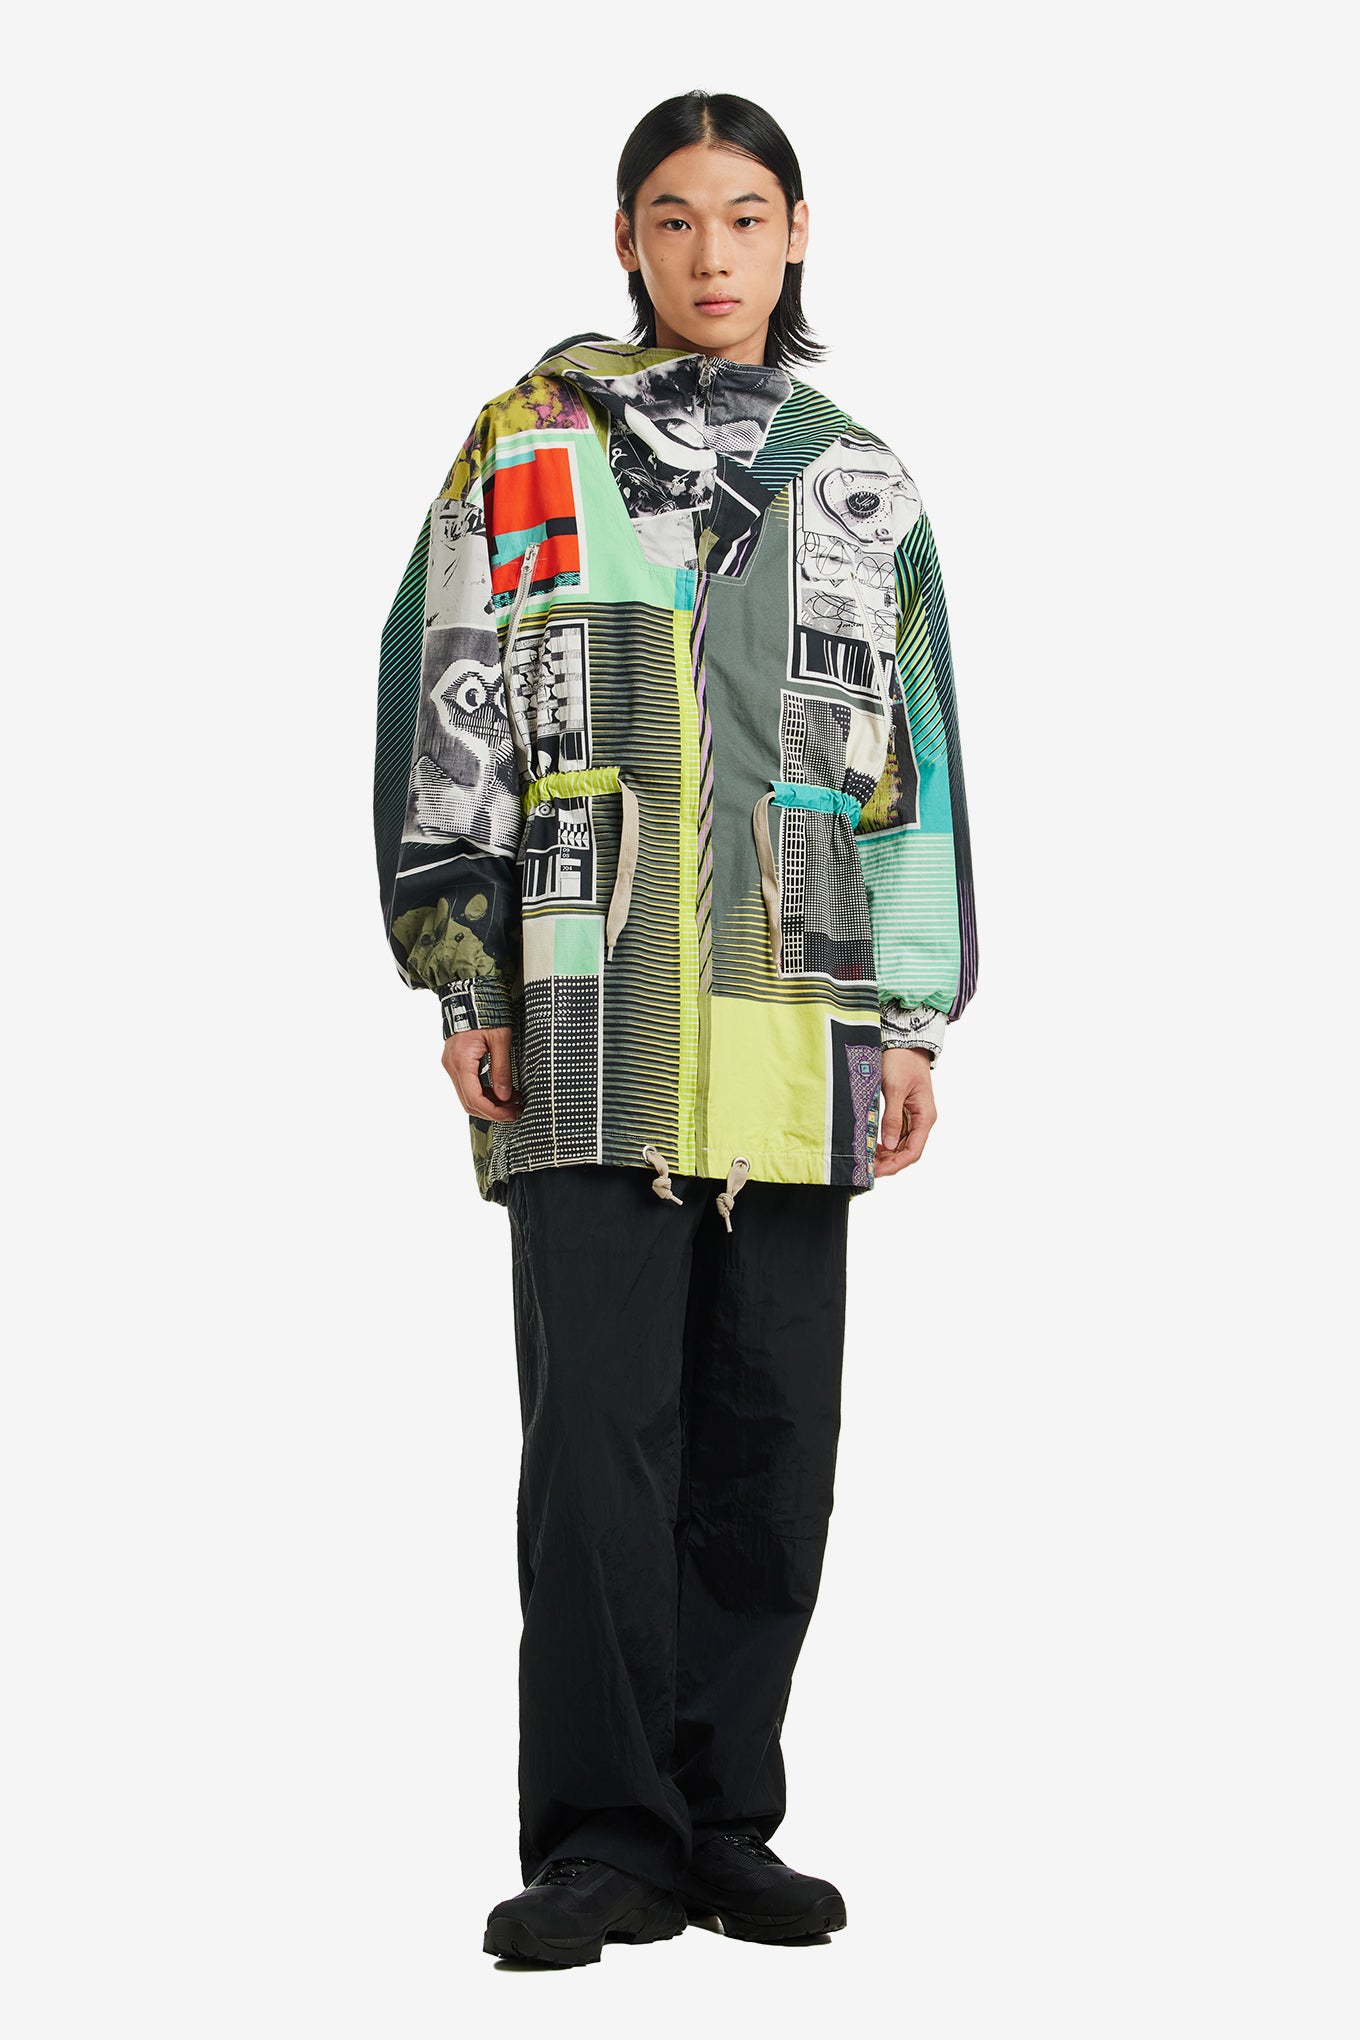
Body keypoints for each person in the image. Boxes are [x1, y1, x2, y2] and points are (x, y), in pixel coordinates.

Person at [373, 88, 979, 1967]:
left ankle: (726, 1823)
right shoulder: (526, 442)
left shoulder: (859, 478)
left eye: (745, 215)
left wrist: (910, 1022)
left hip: (803, 1012)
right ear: (626, 239)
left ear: (798, 233)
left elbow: (913, 760)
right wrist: (464, 970)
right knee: (598, 1444)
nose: (712, 254)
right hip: (589, 995)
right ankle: (603, 1842)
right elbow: (449, 702)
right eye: (673, 218)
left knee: (772, 1440)